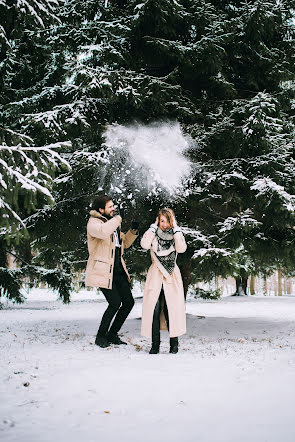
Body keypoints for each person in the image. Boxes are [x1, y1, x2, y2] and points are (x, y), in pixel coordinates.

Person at [85, 194, 139, 348]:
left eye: (113, 206)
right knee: (115, 303)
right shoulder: (93, 223)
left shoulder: (113, 224)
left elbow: (125, 243)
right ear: (101, 209)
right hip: (103, 271)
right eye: (110, 206)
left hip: (118, 270)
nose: (113, 209)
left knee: (128, 302)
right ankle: (100, 337)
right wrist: (118, 219)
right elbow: (102, 232)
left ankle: (112, 334)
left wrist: (133, 231)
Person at [141, 208, 187, 354]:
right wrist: (153, 227)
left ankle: (174, 346)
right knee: (153, 311)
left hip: (171, 275)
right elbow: (144, 244)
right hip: (155, 275)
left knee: (170, 309)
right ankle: (155, 346)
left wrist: (177, 230)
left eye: (167, 221)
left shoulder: (175, 235)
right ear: (157, 220)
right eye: (162, 221)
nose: (164, 224)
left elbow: (181, 248)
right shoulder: (153, 234)